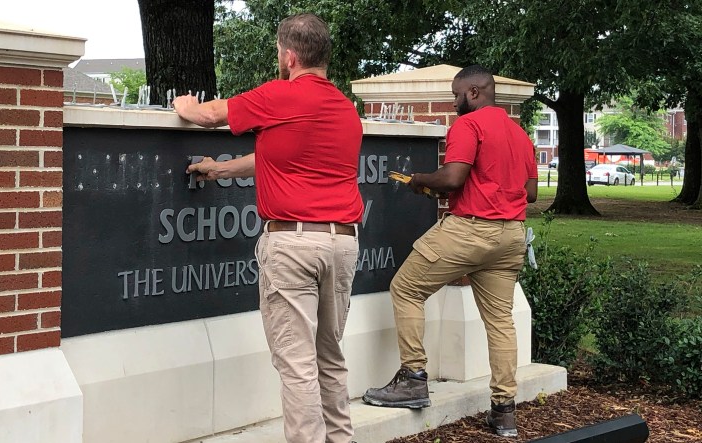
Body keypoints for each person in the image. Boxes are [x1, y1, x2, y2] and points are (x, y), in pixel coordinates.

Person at [173, 13, 363, 443]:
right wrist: (221, 170)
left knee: (297, 366)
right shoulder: (343, 109)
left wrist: (184, 105)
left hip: (293, 244)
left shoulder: (281, 95)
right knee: (329, 358)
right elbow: (280, 158)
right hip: (342, 242)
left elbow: (210, 115)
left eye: (280, 52)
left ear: (289, 56)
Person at [361, 65, 538, 438]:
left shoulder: (468, 126)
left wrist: (421, 179)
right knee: (501, 322)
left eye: (456, 95)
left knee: (407, 288)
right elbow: (531, 193)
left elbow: (453, 177)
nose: (453, 102)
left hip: (471, 230)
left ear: (473, 93)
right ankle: (504, 412)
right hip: (511, 237)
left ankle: (413, 379)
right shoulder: (520, 135)